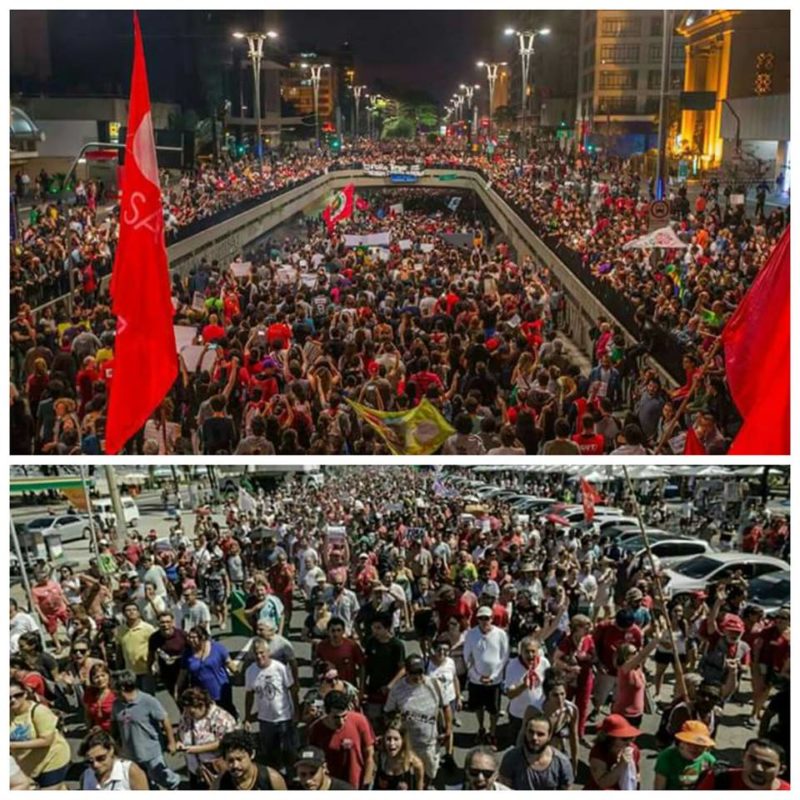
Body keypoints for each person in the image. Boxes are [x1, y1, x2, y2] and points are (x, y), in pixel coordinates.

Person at [110, 669, 181, 790]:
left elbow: (165, 719)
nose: (110, 689)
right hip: (130, 753)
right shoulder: (117, 704)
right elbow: (114, 724)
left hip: (151, 751)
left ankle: (175, 786)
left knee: (161, 777)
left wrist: (171, 742)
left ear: (121, 687)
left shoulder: (147, 701)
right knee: (141, 782)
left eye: (112, 686)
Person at [384, 653, 450, 784]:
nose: (417, 676)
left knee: (430, 772)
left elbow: (446, 706)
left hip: (429, 744)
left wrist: (448, 728)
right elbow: (388, 712)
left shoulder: (434, 684)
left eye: (420, 672)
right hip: (408, 745)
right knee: (409, 777)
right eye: (413, 673)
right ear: (406, 672)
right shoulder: (398, 690)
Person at [244, 636, 298, 771]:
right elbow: (249, 694)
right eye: (256, 653)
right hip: (265, 720)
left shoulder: (280, 668)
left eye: (262, 652)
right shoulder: (250, 671)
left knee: (288, 751)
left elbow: (292, 690)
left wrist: (296, 712)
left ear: (268, 652)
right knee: (269, 753)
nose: (259, 656)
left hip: (284, 717)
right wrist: (247, 717)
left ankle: (290, 779)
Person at [9, 678, 71, 788]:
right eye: (8, 697)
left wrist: (12, 745)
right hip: (28, 764)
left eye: (18, 695)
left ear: (25, 694)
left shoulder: (38, 711)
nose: (13, 700)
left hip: (52, 760)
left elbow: (47, 740)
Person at [307, 690, 376, 790]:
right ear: (326, 712)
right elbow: (313, 762)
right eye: (336, 717)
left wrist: (366, 782)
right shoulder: (316, 729)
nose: (341, 721)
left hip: (356, 784)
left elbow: (370, 754)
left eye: (344, 716)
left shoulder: (360, 721)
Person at [463, 605, 509, 747]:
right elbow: (467, 658)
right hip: (476, 681)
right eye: (481, 618)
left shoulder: (501, 634)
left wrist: (494, 676)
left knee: (494, 709)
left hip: (494, 681)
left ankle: (493, 732)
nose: (484, 621)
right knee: (478, 707)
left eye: (487, 618)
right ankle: (481, 728)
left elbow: (504, 657)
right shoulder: (471, 634)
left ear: (492, 618)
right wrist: (477, 676)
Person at [176, 687, 236, 788]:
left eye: (191, 712)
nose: (188, 715)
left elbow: (225, 742)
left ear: (202, 705)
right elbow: (180, 731)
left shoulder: (221, 718)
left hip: (217, 771)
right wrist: (178, 741)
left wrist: (196, 749)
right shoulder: (186, 715)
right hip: (195, 770)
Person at [498, 710, 574, 790]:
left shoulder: (562, 763)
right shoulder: (511, 758)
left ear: (549, 736)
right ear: (525, 732)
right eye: (531, 732)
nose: (534, 738)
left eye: (540, 734)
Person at [176, 624, 237, 718]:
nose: (190, 640)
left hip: (221, 691)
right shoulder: (187, 654)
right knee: (207, 717)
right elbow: (183, 673)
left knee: (227, 713)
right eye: (189, 637)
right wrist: (177, 689)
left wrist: (240, 676)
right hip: (202, 694)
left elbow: (229, 664)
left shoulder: (217, 648)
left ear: (203, 637)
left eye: (194, 637)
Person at [503, 635, 550, 747]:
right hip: (518, 715)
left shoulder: (544, 663)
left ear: (538, 651)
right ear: (521, 652)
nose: (530, 655)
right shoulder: (512, 666)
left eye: (533, 651)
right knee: (518, 745)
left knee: (536, 744)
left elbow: (549, 686)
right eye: (527, 652)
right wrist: (523, 686)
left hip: (538, 713)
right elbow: (510, 694)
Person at [696, 738, 789, 790]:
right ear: (743, 757)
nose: (758, 768)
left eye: (767, 764)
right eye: (752, 759)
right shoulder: (719, 779)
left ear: (781, 770)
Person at [212, 730, 287, 790]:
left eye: (239, 759)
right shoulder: (221, 783)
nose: (235, 765)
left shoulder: (272, 779)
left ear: (252, 754)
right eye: (230, 760)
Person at [583, 714, 641, 790]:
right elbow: (602, 783)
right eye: (624, 738)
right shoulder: (598, 753)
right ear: (610, 739)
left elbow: (637, 775)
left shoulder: (633, 750)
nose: (629, 742)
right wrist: (621, 765)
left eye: (630, 738)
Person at [653, 720, 716, 790]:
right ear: (680, 742)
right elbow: (659, 788)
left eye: (700, 745)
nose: (694, 748)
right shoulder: (666, 757)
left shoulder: (709, 760)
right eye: (689, 744)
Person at [79, 727, 149, 790]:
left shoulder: (130, 772)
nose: (95, 765)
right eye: (89, 761)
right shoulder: (86, 776)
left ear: (111, 750)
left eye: (101, 758)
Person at [371, 714, 425, 790]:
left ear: (403, 740)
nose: (392, 744)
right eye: (388, 739)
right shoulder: (378, 757)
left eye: (396, 739)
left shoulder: (414, 764)